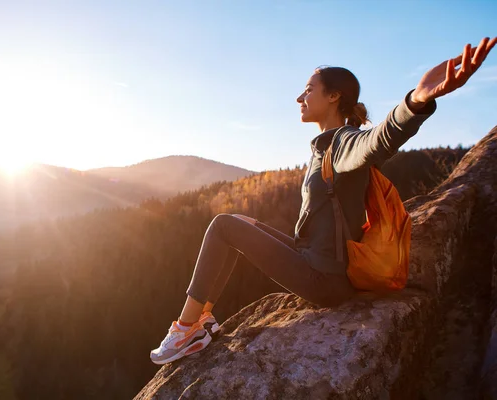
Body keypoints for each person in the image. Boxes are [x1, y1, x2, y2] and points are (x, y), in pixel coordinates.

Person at [150, 37, 497, 365]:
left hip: (325, 279)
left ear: (333, 97)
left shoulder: (345, 142)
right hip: (315, 260)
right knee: (241, 223)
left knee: (223, 225)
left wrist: (416, 101)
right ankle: (204, 319)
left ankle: (185, 330)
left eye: (308, 90)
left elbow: (379, 139)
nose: (299, 98)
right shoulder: (324, 146)